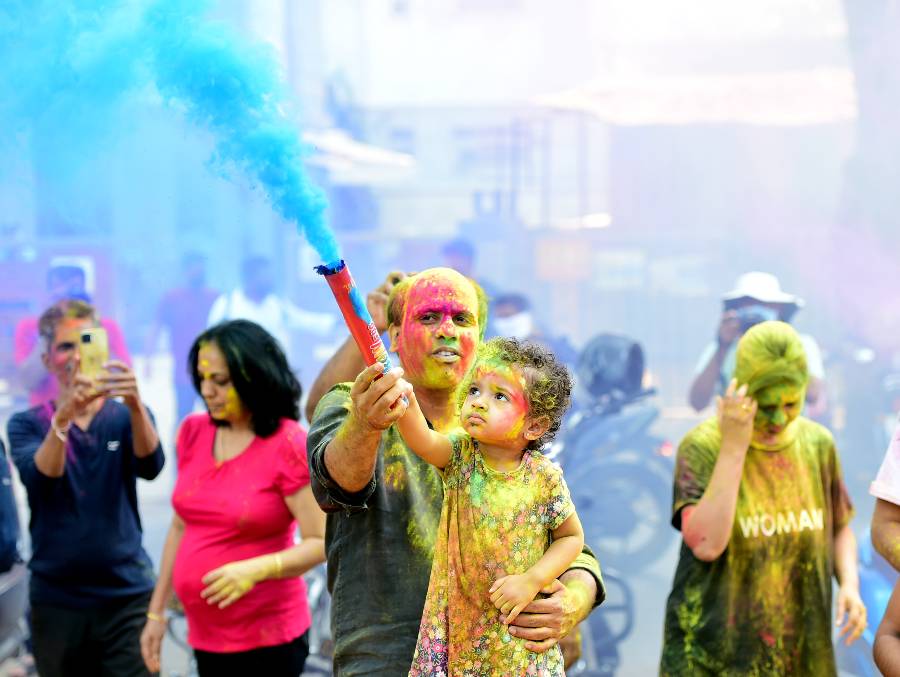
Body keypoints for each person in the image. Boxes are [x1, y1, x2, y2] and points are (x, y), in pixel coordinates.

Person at [306, 267, 603, 676]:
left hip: (498, 660)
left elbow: (570, 545)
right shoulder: (354, 405)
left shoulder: (511, 435)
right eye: (428, 317)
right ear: (393, 336)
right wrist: (365, 423)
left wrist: (570, 603)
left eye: (461, 319)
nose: (446, 330)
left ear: (478, 340)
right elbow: (338, 486)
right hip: (388, 661)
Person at [661, 321, 864, 675]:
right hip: (714, 659)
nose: (777, 418)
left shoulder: (818, 444)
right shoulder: (704, 446)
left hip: (799, 655)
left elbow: (839, 526)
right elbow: (707, 544)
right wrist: (734, 447)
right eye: (766, 404)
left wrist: (849, 583)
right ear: (741, 388)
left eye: (791, 403)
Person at [139, 320, 326, 677]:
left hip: (269, 640)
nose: (207, 391)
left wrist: (256, 569)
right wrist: (156, 611)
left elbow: (320, 542)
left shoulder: (287, 443)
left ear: (254, 377)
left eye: (221, 381)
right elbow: (180, 525)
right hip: (204, 636)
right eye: (202, 379)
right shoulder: (193, 432)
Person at [396, 337, 584, 675]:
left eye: (499, 396)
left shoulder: (544, 478)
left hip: (516, 632)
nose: (479, 403)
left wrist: (532, 580)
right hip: (460, 627)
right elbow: (424, 442)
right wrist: (405, 401)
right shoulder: (461, 456)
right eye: (474, 391)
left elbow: (571, 538)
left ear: (534, 425)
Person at [7, 299, 164, 677]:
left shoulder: (126, 415)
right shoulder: (26, 424)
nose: (77, 356)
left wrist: (135, 404)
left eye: (87, 341)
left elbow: (151, 466)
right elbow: (42, 478)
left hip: (126, 594)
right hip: (57, 599)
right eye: (65, 346)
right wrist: (64, 415)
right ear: (47, 360)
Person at [688, 272, 826, 416]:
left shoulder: (800, 344)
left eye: (764, 305)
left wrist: (782, 345)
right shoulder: (722, 348)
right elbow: (697, 403)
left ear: (779, 308)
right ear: (736, 309)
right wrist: (722, 346)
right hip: (737, 436)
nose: (755, 313)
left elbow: (812, 395)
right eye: (749, 305)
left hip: (788, 436)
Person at [14, 262, 131, 406]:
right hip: (46, 415)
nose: (68, 299)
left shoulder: (106, 327)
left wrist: (90, 327)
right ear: (49, 294)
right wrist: (51, 329)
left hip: (96, 416)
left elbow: (122, 380)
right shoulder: (31, 327)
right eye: (60, 292)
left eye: (74, 292)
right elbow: (29, 381)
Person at [207, 255, 335, 361]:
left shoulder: (276, 304)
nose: (270, 280)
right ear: (250, 278)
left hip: (272, 374)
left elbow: (302, 319)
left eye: (270, 276)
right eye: (264, 276)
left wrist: (335, 321)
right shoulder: (227, 305)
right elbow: (211, 338)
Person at [145, 252, 219, 421]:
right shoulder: (173, 298)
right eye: (194, 267)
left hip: (213, 370)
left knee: (216, 417)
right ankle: (181, 448)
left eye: (201, 266)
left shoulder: (214, 297)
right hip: (184, 371)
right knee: (183, 417)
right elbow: (156, 328)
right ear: (185, 270)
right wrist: (149, 359)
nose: (198, 270)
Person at [491, 292, 578, 365]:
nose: (504, 323)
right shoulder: (497, 353)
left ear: (525, 316)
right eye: (499, 317)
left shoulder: (557, 347)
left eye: (508, 315)